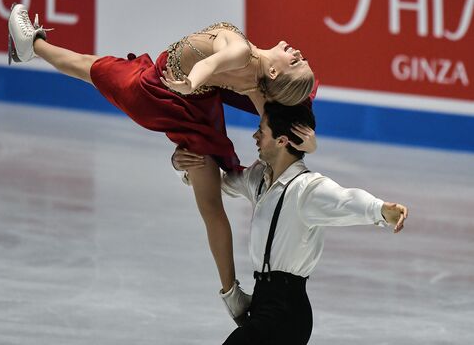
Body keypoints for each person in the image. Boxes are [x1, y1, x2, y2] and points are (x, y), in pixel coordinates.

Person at [7, 3, 317, 314]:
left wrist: (192, 82)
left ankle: (231, 295)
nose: (298, 52)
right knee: (90, 66)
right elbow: (218, 68)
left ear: (275, 71)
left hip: (156, 93)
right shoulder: (254, 72)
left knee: (91, 68)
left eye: (296, 60)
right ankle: (31, 45)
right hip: (189, 94)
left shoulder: (244, 59)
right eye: (300, 58)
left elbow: (213, 66)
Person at [172, 101, 408, 344]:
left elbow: (345, 199)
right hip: (263, 304)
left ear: (282, 140)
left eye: (261, 131)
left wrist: (380, 210)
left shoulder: (307, 189)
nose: (255, 136)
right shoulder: (258, 178)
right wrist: (184, 167)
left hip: (287, 313)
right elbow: (217, 182)